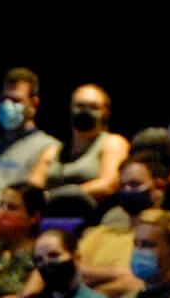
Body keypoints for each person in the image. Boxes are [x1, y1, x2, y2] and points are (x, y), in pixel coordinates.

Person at [75, 156, 170, 298]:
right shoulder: (101, 233)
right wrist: (121, 273)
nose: (127, 190)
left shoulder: (168, 235)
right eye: (122, 186)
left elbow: (143, 284)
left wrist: (95, 291)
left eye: (134, 184)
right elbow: (73, 271)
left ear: (159, 188)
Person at [30, 84, 131, 213]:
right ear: (71, 108)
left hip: (94, 218)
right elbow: (31, 191)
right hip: (50, 216)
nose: (85, 111)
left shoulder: (113, 143)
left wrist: (57, 195)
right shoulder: (52, 151)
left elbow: (108, 185)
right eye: (80, 106)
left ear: (106, 112)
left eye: (93, 107)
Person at [0, 67, 61, 207]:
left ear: (34, 104)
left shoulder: (50, 147)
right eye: (4, 99)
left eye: (16, 100)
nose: (8, 106)